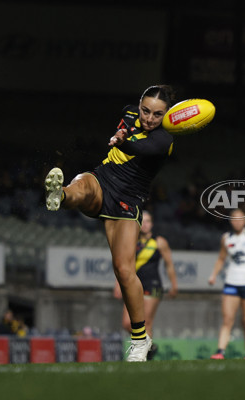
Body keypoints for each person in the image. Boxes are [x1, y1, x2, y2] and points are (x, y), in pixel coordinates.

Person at [44, 85, 176, 361]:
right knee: (82, 187)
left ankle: (140, 340)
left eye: (157, 114)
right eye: (146, 111)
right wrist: (122, 130)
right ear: (139, 105)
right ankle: (60, 194)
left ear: (166, 115)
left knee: (124, 269)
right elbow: (127, 121)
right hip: (104, 178)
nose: (150, 118)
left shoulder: (165, 139)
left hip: (128, 199)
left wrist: (121, 139)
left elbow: (139, 147)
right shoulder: (129, 113)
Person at [113, 210, 178, 360]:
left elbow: (169, 265)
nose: (145, 224)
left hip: (152, 285)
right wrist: (117, 285)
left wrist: (174, 285)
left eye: (148, 221)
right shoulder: (131, 241)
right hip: (133, 285)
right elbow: (123, 266)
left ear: (152, 224)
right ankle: (150, 346)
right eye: (142, 221)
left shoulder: (160, 242)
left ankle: (145, 356)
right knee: (126, 323)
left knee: (146, 322)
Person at [208, 209, 245, 359]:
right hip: (231, 281)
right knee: (227, 318)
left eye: (240, 219)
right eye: (234, 219)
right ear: (230, 221)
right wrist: (214, 275)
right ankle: (220, 351)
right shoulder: (226, 238)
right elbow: (221, 258)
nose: (237, 222)